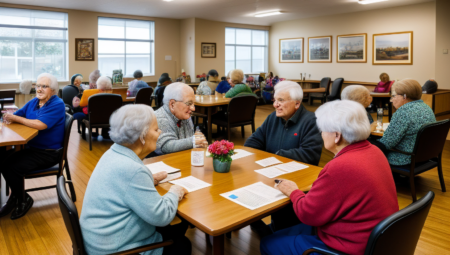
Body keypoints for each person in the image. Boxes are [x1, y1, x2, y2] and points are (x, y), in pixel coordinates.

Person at [260, 100, 399, 255]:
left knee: (268, 242)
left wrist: (293, 191)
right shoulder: (374, 151)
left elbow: (307, 214)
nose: (321, 134)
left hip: (348, 246)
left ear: (337, 136)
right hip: (377, 238)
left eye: (323, 130)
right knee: (282, 232)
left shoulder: (340, 166)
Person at [80, 104, 191, 255]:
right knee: (182, 245)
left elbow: (121, 186)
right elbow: (162, 216)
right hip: (116, 250)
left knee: (172, 230)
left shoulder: (113, 153)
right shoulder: (133, 171)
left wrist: (148, 180)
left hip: (99, 240)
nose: (160, 133)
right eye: (156, 129)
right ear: (142, 137)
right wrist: (175, 192)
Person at [245, 80, 323, 235]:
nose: (275, 105)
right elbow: (251, 142)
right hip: (273, 174)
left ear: (296, 103)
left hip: (298, 182)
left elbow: (309, 155)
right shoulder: (273, 118)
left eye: (281, 100)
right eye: (275, 100)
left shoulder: (311, 121)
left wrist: (276, 156)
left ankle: (279, 233)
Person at [0, 73, 65, 220]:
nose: (39, 89)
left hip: (48, 153)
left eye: (44, 86)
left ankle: (23, 199)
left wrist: (15, 118)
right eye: (38, 86)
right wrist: (11, 117)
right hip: (31, 148)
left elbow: (41, 124)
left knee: (11, 167)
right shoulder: (34, 101)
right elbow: (18, 113)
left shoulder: (57, 104)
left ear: (53, 90)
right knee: (2, 159)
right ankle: (16, 197)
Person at [372, 79, 436, 166]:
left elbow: (386, 144)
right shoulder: (427, 107)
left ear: (404, 96)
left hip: (405, 158)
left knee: (368, 148)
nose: (391, 100)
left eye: (394, 96)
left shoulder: (403, 112)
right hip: (426, 155)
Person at [154, 82, 207, 155]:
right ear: (172, 104)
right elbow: (166, 147)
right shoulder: (160, 117)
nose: (193, 108)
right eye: (189, 103)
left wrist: (197, 141)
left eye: (193, 104)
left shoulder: (184, 114)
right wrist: (193, 141)